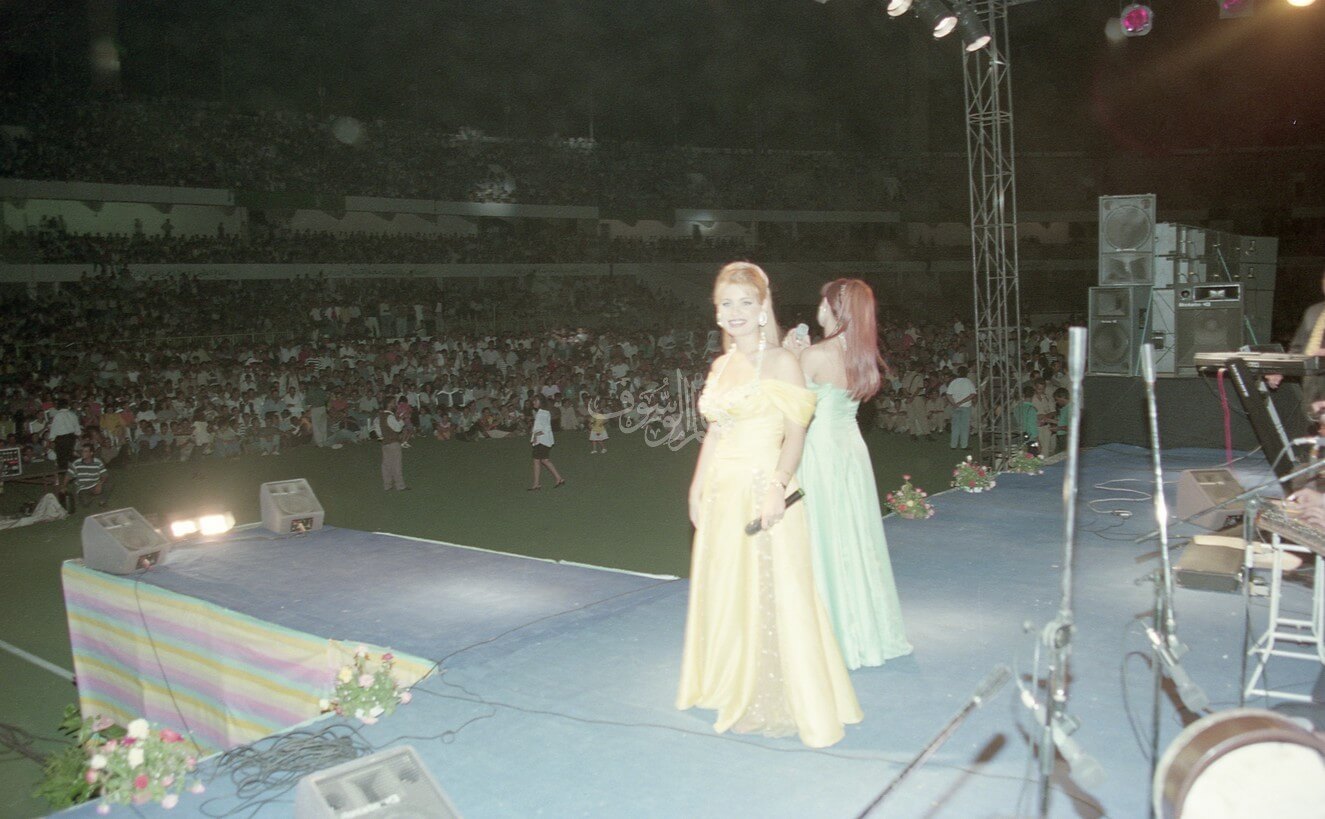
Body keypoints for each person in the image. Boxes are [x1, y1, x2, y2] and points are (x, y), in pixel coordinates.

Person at [677, 261, 860, 749]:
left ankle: (769, 697)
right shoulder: (720, 367)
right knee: (730, 590)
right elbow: (715, 433)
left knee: (772, 594)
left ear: (763, 309)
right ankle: (730, 681)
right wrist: (696, 489)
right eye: (726, 303)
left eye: (745, 302)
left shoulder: (781, 362)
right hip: (723, 494)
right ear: (716, 312)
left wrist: (778, 485)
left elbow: (797, 434)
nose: (734, 311)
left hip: (764, 491)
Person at [785, 278, 912, 670]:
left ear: (832, 308)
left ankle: (828, 630)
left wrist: (789, 356)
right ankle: (864, 626)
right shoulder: (861, 355)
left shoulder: (814, 355)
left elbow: (787, 406)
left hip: (819, 450)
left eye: (823, 302)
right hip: (851, 449)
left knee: (821, 535)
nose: (818, 308)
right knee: (854, 537)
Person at [528, 395, 565, 490]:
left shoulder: (542, 413)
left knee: (540, 460)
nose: (533, 402)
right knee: (542, 460)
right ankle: (557, 479)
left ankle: (538, 484)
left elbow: (544, 428)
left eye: (535, 401)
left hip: (542, 440)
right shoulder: (543, 412)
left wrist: (535, 436)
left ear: (540, 402)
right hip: (543, 440)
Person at [65, 442, 108, 511]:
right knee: (85, 503)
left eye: (85, 451)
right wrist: (64, 486)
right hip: (83, 487)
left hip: (95, 484)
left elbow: (104, 475)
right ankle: (93, 497)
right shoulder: (76, 463)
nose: (82, 453)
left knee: (109, 485)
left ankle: (101, 501)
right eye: (82, 451)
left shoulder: (98, 462)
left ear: (91, 453)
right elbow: (68, 475)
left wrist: (100, 483)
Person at [378, 399, 408, 491]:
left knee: (386, 465)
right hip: (393, 442)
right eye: (393, 403)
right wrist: (402, 419)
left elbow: (380, 431)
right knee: (396, 464)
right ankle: (400, 485)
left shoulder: (381, 416)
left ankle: (387, 485)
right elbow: (398, 428)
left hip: (385, 443)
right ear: (389, 404)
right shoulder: (390, 416)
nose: (395, 404)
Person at [945, 366, 976, 450]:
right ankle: (964, 445)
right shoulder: (968, 382)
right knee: (964, 427)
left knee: (955, 426)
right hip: (965, 406)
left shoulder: (954, 382)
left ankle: (953, 445)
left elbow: (948, 394)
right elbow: (973, 394)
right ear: (966, 373)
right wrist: (961, 402)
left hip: (956, 407)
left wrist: (954, 403)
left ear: (958, 372)